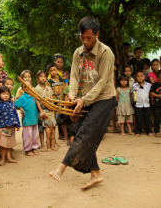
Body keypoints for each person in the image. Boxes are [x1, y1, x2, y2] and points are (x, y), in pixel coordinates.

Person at [49, 16, 116, 190]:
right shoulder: (78, 53)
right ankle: (95, 174)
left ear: (97, 34)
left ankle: (62, 166)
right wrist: (72, 95)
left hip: (104, 98)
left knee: (85, 133)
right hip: (84, 99)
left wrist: (83, 100)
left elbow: (102, 82)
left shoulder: (106, 53)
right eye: (82, 37)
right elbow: (73, 76)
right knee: (80, 131)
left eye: (89, 38)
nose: (85, 42)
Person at [15, 80, 46, 156]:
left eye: (30, 86)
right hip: (27, 120)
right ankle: (27, 150)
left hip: (34, 119)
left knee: (35, 135)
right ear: (23, 88)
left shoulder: (33, 96)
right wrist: (21, 109)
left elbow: (37, 105)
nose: (29, 88)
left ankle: (34, 148)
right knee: (28, 136)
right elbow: (15, 105)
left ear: (32, 87)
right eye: (26, 86)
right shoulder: (22, 97)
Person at [0, 86, 20, 166]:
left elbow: (15, 114)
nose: (6, 95)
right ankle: (3, 159)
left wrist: (18, 125)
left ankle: (9, 158)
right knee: (3, 144)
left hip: (11, 127)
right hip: (3, 127)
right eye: (3, 94)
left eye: (7, 94)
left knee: (9, 144)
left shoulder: (12, 104)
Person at [35, 70, 57, 151]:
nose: (43, 78)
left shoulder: (48, 88)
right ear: (38, 78)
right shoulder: (36, 89)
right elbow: (37, 101)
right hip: (44, 111)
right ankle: (47, 146)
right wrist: (41, 110)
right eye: (41, 77)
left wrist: (51, 106)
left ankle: (53, 145)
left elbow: (52, 98)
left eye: (44, 76)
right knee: (46, 128)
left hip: (51, 110)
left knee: (53, 127)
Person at [131, 71, 152, 136]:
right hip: (138, 105)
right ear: (136, 78)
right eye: (138, 76)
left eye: (141, 76)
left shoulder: (148, 85)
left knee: (148, 119)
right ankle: (138, 131)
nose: (140, 77)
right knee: (138, 119)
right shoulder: (134, 85)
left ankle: (149, 131)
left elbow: (151, 93)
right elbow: (131, 92)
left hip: (147, 104)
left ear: (144, 77)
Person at [150, 70, 161, 137]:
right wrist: (158, 96)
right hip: (157, 105)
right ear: (157, 77)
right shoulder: (154, 85)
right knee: (157, 117)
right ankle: (157, 131)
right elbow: (151, 93)